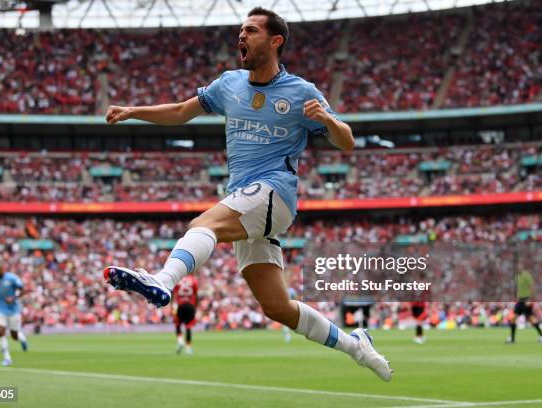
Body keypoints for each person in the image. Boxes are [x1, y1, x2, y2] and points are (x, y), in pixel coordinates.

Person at [103, 7, 392, 381]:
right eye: (241, 30)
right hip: (247, 199)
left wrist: (326, 120)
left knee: (204, 223)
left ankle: (163, 280)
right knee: (277, 307)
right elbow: (179, 112)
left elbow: (347, 142)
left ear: (275, 41)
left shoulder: (302, 92)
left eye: (251, 30)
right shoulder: (229, 84)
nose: (242, 35)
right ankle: (357, 346)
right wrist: (132, 111)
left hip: (275, 192)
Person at [507, 269, 542, 344]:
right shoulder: (517, 277)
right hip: (520, 300)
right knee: (513, 318)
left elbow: (532, 287)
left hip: (526, 299)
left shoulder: (526, 275)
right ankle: (512, 339)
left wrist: (531, 299)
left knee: (531, 318)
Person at [173, 275, 199, 354]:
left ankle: (180, 341)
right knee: (188, 326)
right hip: (190, 304)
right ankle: (188, 347)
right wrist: (195, 306)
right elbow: (196, 294)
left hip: (180, 304)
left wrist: (173, 305)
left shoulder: (178, 279)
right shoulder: (194, 279)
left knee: (177, 324)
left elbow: (174, 293)